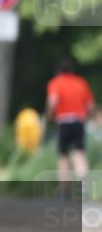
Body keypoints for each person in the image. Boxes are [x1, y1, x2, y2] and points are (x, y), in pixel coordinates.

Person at [45, 58, 96, 197]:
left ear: (58, 71)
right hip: (79, 121)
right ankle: (84, 188)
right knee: (79, 154)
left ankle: (64, 191)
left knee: (63, 156)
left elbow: (53, 101)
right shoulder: (81, 82)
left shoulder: (56, 82)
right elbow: (90, 106)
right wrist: (93, 117)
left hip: (64, 122)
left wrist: (49, 115)